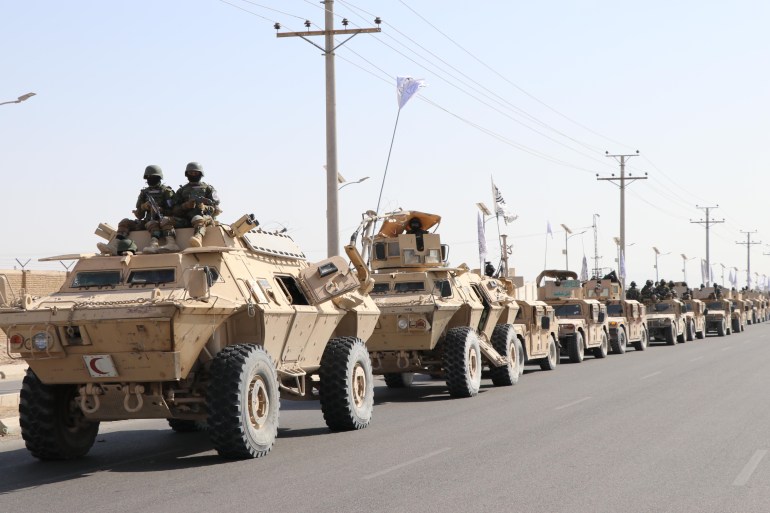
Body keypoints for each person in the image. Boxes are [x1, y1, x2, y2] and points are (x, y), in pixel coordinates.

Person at [97, 165, 176, 255]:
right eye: (148, 177)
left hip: (162, 222)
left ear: (159, 177)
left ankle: (154, 244)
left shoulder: (166, 192)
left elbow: (174, 211)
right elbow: (140, 215)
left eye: (153, 177)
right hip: (147, 222)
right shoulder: (144, 193)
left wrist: (160, 210)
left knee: (153, 223)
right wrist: (144, 207)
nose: (150, 179)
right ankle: (115, 245)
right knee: (125, 222)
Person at [173, 162, 220, 247]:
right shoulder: (182, 190)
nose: (193, 175)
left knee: (197, 218)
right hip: (186, 219)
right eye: (191, 173)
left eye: (196, 173)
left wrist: (205, 208)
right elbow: (174, 210)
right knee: (165, 220)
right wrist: (185, 206)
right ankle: (170, 244)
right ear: (187, 174)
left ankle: (198, 237)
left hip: (205, 218)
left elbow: (217, 210)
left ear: (200, 174)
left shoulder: (208, 189)